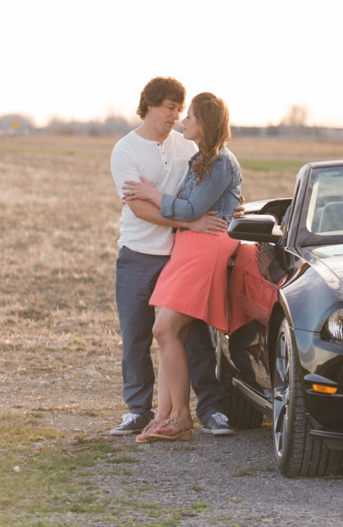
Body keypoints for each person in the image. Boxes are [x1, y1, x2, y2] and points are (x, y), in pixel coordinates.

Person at [108, 77, 234, 438]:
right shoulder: (126, 150)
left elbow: (213, 181)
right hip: (138, 253)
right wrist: (191, 222)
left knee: (195, 336)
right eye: (170, 107)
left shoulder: (186, 145)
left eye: (181, 109)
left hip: (180, 255)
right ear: (150, 105)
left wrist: (227, 209)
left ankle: (210, 408)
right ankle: (137, 410)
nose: (177, 115)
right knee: (136, 334)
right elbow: (137, 207)